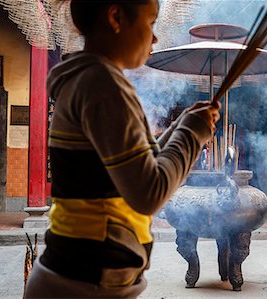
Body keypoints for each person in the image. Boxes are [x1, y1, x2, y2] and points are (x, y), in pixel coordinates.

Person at [24, 0, 220, 298]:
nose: (155, 37)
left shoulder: (87, 78)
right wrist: (192, 133)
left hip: (77, 272)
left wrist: (182, 125)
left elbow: (144, 163)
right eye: (151, 22)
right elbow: (148, 193)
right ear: (116, 17)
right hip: (89, 280)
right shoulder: (103, 85)